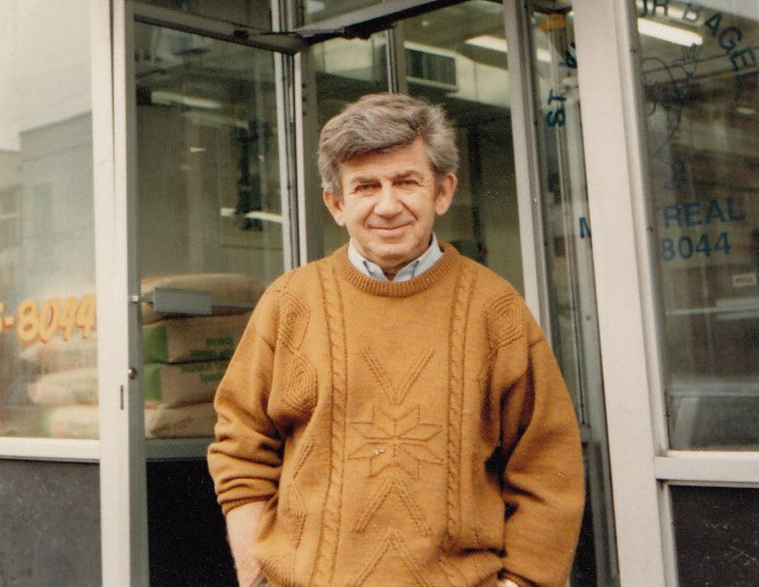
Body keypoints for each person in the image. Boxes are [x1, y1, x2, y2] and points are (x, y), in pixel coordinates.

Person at [208, 93, 584, 587]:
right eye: (365, 186)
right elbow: (241, 449)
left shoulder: (496, 309)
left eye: (407, 182)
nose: (388, 205)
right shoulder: (289, 303)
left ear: (443, 192)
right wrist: (255, 575)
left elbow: (548, 468)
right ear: (336, 204)